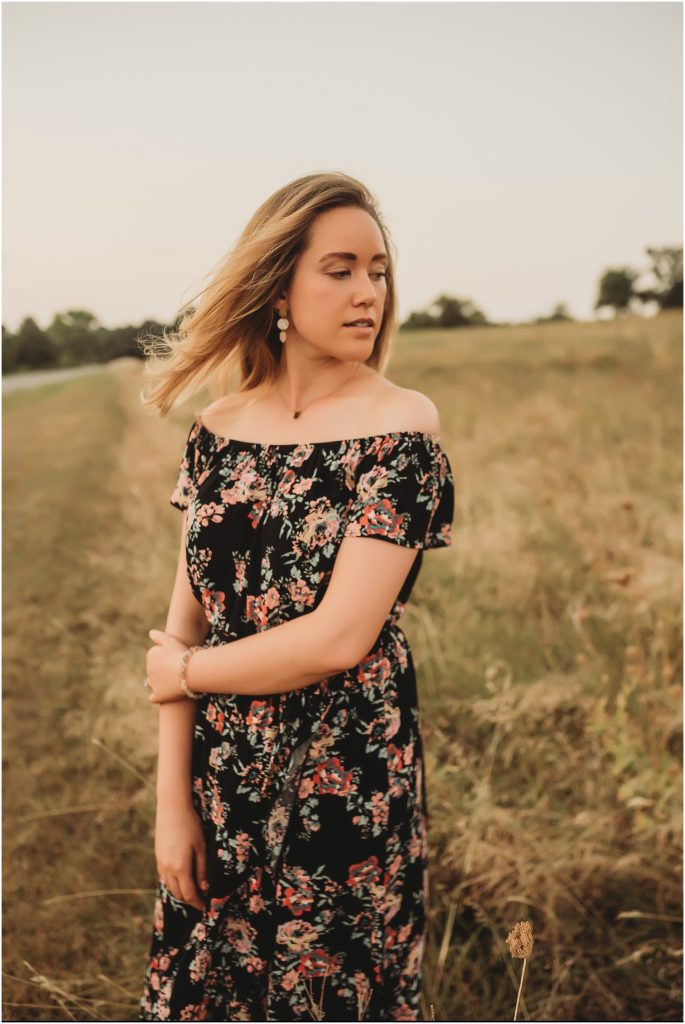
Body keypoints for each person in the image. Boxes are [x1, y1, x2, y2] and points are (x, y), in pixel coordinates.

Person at [137, 171, 454, 1022]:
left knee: (324, 992)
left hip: (344, 773)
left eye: (378, 271)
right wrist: (172, 807)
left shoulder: (402, 428)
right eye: (339, 271)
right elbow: (182, 627)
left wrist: (188, 675)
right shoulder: (218, 430)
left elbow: (337, 639)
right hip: (221, 771)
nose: (368, 294)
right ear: (278, 286)